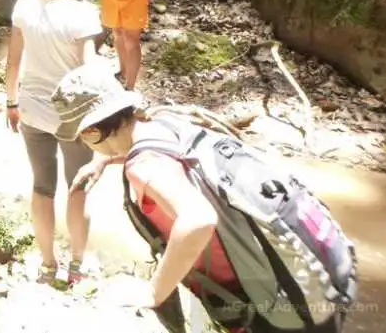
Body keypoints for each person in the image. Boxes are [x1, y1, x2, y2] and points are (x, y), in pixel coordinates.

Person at [53, 65, 354, 333]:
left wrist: (153, 293)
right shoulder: (165, 123)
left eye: (81, 134)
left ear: (92, 131)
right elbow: (177, 160)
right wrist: (104, 161)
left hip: (271, 307)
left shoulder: (143, 166)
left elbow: (198, 219)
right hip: (312, 280)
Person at [3, 0, 109, 287]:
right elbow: (89, 73)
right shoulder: (82, 15)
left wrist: (11, 101)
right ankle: (76, 267)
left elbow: (13, 62)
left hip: (31, 110)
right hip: (72, 118)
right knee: (77, 188)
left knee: (42, 187)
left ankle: (48, 265)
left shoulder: (24, 5)